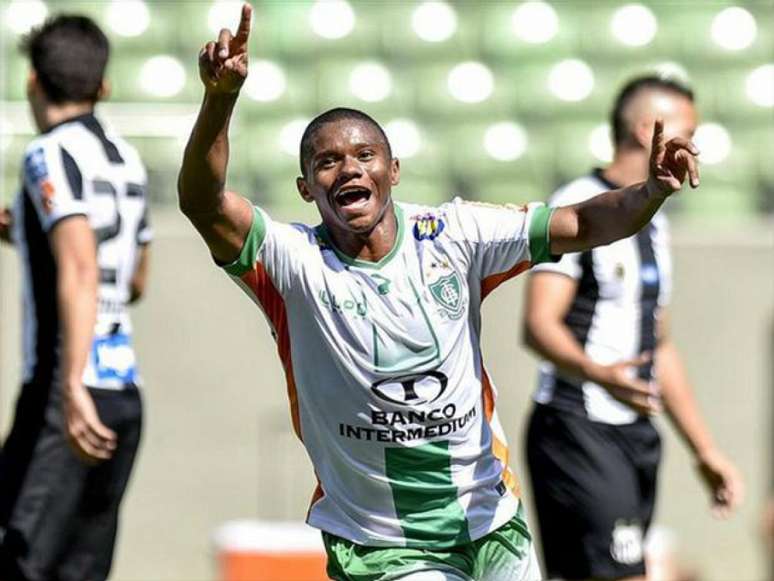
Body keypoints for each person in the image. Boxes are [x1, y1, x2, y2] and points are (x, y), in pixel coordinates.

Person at [179, 5, 700, 580]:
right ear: (307, 188)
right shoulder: (291, 261)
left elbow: (580, 223)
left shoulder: (456, 235)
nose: (348, 169)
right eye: (327, 162)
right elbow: (204, 203)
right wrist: (220, 98)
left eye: (364, 155)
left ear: (393, 170)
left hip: (490, 521)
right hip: (382, 546)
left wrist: (650, 191)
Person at [522, 76, 743, 581]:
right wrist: (598, 373)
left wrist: (704, 451)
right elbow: (539, 324)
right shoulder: (577, 206)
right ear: (651, 131)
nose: (697, 148)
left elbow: (659, 344)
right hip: (578, 428)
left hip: (634, 434)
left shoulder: (656, 221)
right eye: (690, 133)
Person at [0, 15, 151, 581]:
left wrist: (69, 386)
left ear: (33, 82)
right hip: (123, 395)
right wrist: (32, 234)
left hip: (67, 395)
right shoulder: (127, 158)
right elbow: (134, 280)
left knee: (19, 560)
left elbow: (82, 267)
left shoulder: (48, 154)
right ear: (103, 87)